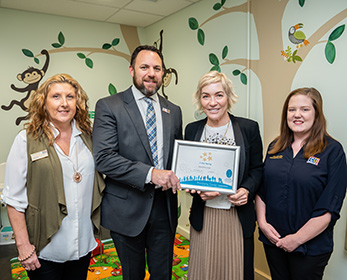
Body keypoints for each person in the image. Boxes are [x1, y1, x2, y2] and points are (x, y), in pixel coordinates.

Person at [92, 45, 183, 280]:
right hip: (126, 209)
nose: (151, 73)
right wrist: (151, 174)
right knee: (132, 275)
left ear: (163, 73)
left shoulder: (173, 111)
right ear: (132, 70)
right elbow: (104, 158)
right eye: (144, 67)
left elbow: (177, 158)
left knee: (162, 273)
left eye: (157, 68)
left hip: (165, 208)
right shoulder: (109, 106)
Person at [2, 73, 105, 280]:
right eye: (56, 96)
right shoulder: (26, 140)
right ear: (43, 102)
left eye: (70, 97)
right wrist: (24, 247)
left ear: (78, 102)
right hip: (45, 248)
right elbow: (13, 198)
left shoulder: (89, 137)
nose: (64, 103)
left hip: (82, 245)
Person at [255, 87, 347, 280]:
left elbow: (330, 208)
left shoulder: (333, 151)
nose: (297, 115)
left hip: (310, 248)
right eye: (291, 109)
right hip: (274, 241)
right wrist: (263, 224)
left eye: (305, 109)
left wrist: (296, 239)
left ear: (317, 114)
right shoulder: (275, 146)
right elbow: (262, 190)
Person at [185, 71, 263, 280]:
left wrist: (246, 189)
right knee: (204, 270)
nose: (213, 102)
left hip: (236, 216)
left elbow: (257, 169)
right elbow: (188, 173)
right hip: (205, 216)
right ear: (200, 100)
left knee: (234, 271)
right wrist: (196, 190)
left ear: (228, 97)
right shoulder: (192, 130)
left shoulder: (248, 128)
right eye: (206, 96)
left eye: (219, 95)